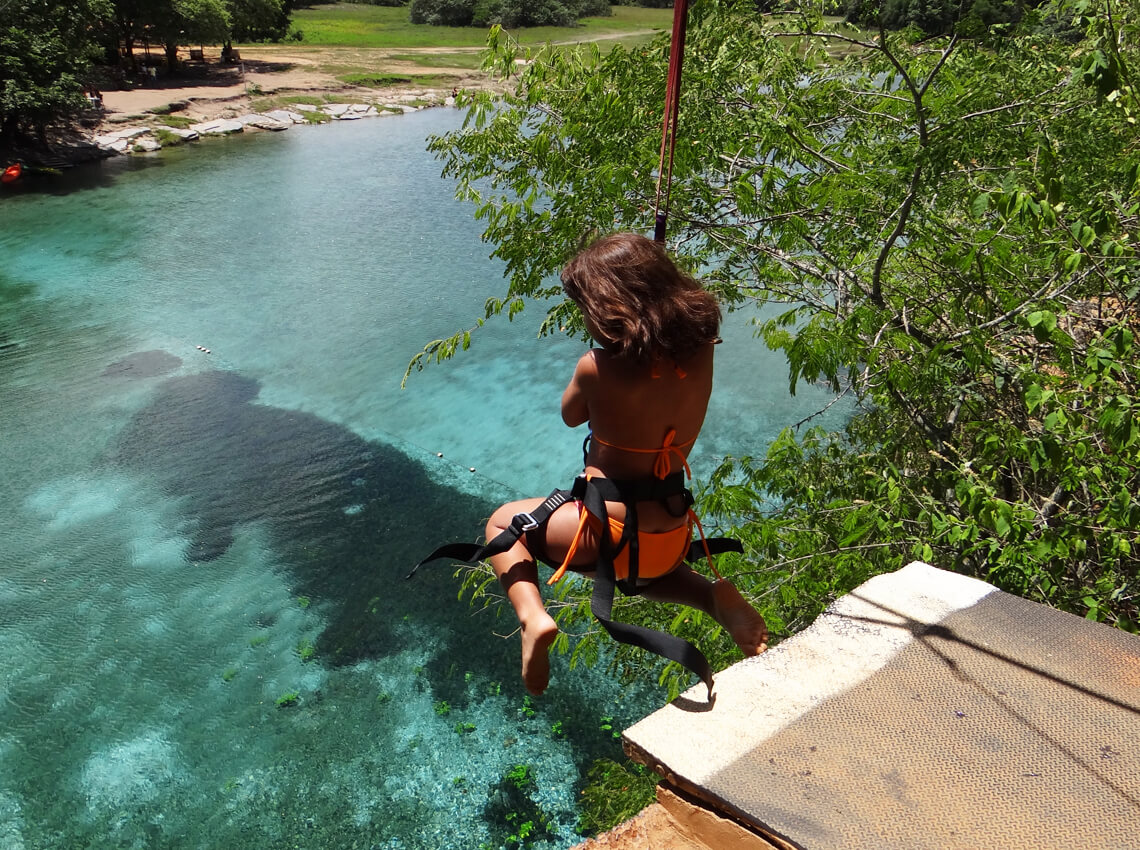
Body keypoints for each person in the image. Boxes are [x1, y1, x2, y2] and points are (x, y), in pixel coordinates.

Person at [483, 232, 769, 696]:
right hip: (669, 531)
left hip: (605, 529)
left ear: (608, 308)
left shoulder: (595, 366)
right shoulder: (701, 352)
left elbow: (571, 414)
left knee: (501, 524)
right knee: (645, 578)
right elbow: (658, 351)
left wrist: (601, 360)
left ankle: (532, 618)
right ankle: (713, 597)